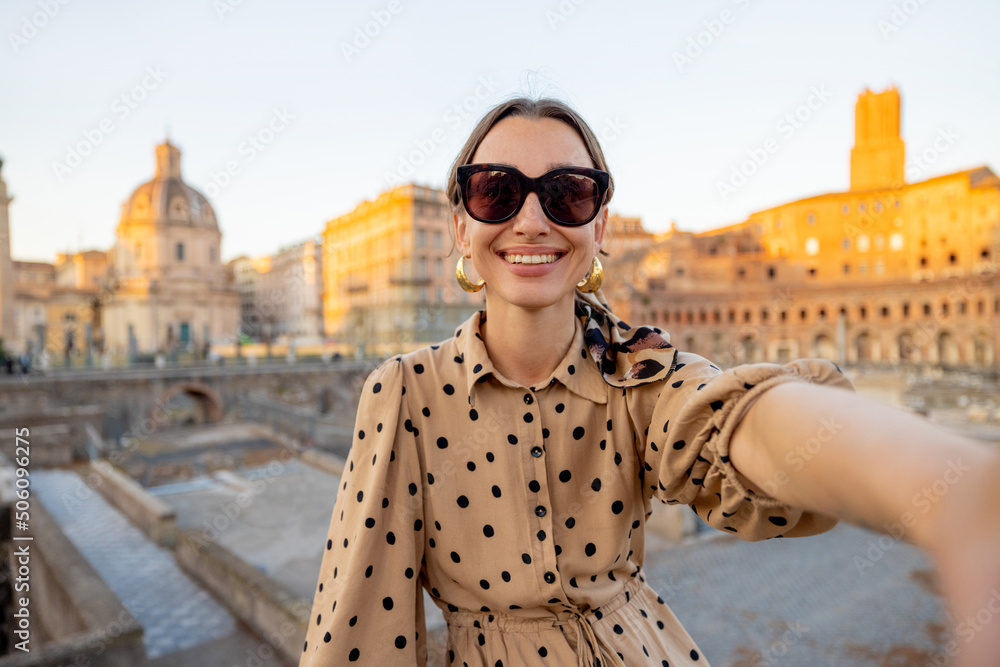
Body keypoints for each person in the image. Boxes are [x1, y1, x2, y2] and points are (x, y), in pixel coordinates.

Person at [300, 98, 1000, 666]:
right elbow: (362, 626)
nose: (533, 218)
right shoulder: (405, 390)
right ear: (462, 225)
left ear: (600, 225)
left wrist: (958, 493)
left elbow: (739, 420)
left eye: (568, 195)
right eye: (497, 192)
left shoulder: (639, 369)